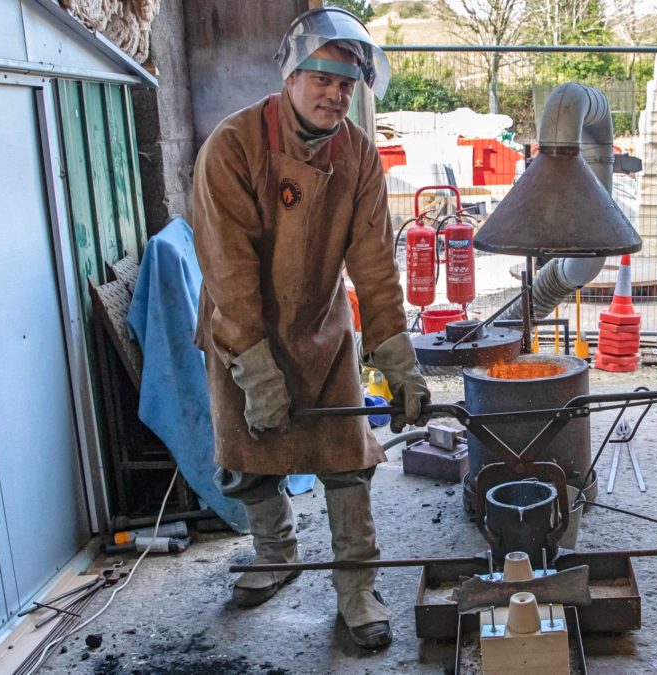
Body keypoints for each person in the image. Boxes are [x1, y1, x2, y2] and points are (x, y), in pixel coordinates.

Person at [192, 8, 430, 650]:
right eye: (322, 78)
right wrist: (256, 370)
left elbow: (376, 265)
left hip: (323, 330)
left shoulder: (357, 154)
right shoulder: (233, 146)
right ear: (290, 77)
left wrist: (400, 362)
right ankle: (276, 552)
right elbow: (228, 272)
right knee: (248, 460)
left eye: (347, 84)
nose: (335, 94)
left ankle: (356, 587)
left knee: (348, 462)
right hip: (240, 329)